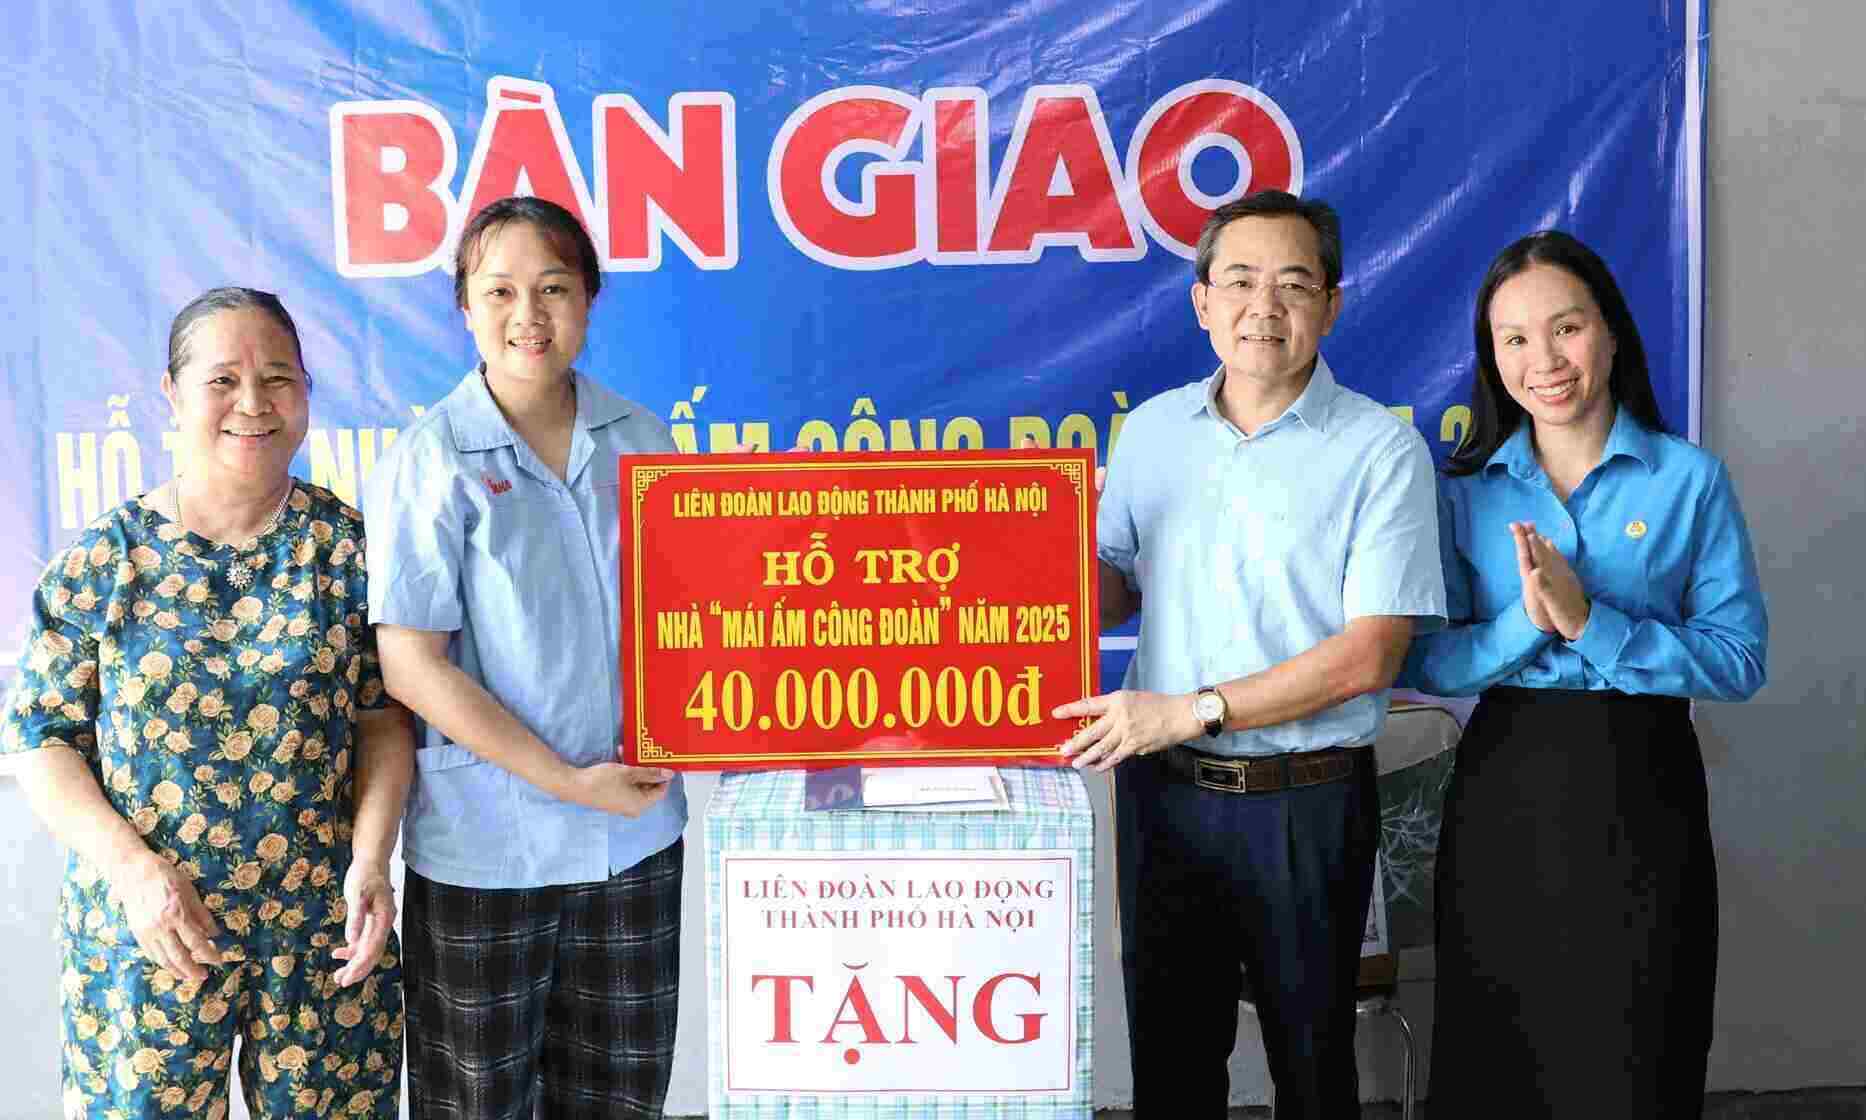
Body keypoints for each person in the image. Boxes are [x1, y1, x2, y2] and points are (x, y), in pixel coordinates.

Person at [1054, 190, 1446, 1117]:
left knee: (1313, 1071)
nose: (1262, 307)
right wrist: (1031, 550)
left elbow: (1368, 656)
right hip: (1162, 796)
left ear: (1332, 304)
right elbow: (1113, 586)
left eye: (1292, 283)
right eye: (1238, 280)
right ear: (1201, 301)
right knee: (1171, 1062)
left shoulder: (1382, 453)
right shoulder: (1151, 432)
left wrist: (1193, 708)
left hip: (1304, 803)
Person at [2, 287, 410, 1119]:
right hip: (150, 935)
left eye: (279, 378)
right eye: (223, 379)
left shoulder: (349, 552)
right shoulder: (102, 564)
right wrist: (134, 872)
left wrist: (372, 861)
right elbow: (39, 743)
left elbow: (384, 722)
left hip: (321, 942)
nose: (253, 404)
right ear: (172, 395)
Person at [1399, 230, 1766, 1117]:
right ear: (1493, 359)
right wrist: (1526, 627)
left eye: (1565, 329)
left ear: (1610, 333)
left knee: (1639, 1043)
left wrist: (1592, 624)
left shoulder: (1689, 480)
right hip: (1504, 790)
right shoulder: (1467, 490)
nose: (1544, 360)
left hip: (1642, 786)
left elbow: (1740, 659)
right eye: (1514, 339)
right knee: (1499, 1048)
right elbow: (1426, 658)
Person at [362, 195, 684, 1119]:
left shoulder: (644, 440)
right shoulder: (432, 460)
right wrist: (566, 779)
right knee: (478, 1104)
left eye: (552, 287)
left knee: (622, 1096)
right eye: (498, 290)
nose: (527, 315)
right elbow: (411, 667)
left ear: (590, 297)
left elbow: (692, 621)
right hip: (487, 854)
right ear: (464, 306)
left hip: (636, 839)